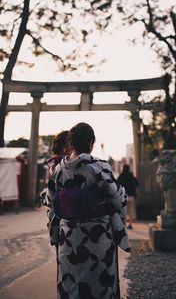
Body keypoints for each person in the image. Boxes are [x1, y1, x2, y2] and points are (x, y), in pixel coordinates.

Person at [45, 122, 130, 299]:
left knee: (71, 280)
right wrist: (120, 215)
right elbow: (118, 198)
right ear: (91, 143)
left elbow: (51, 203)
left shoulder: (58, 170)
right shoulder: (99, 167)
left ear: (71, 143)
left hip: (67, 235)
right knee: (100, 282)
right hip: (97, 234)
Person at [117, 164, 139, 229]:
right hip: (131, 196)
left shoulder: (121, 176)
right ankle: (130, 224)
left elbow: (117, 184)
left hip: (123, 195)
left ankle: (124, 224)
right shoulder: (131, 176)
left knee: (124, 210)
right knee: (131, 210)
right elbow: (137, 183)